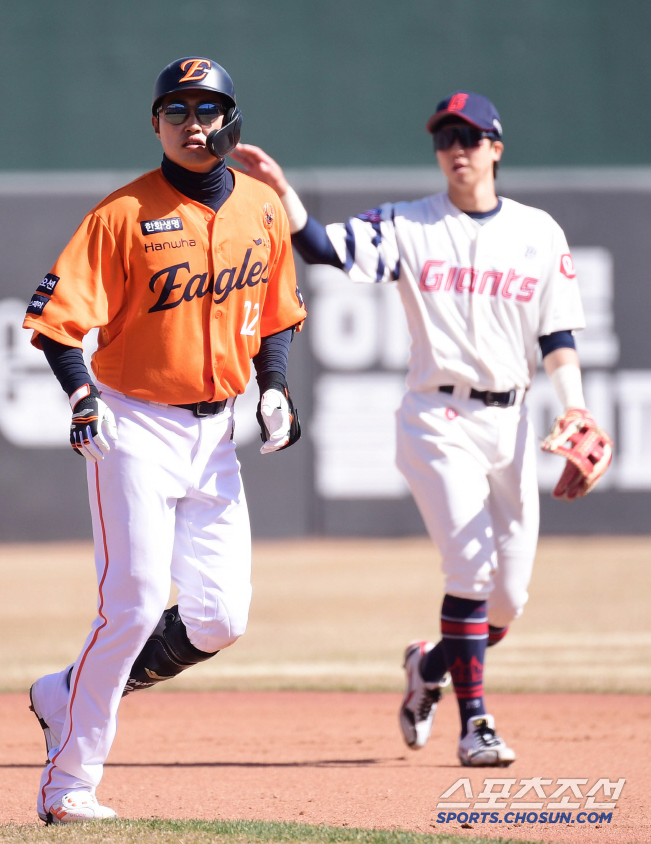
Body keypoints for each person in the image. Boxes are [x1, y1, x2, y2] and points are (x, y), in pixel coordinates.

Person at [232, 91, 611, 767]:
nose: (457, 148)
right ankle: (477, 725)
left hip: (514, 420)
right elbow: (322, 248)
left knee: (507, 602)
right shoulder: (411, 225)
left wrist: (574, 407)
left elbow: (557, 335)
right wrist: (284, 193)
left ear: (496, 147)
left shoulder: (539, 232)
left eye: (470, 136)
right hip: (437, 417)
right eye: (446, 138)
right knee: (469, 566)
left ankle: (428, 665)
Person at [23, 57, 306, 823]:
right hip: (136, 426)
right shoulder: (121, 214)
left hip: (216, 435)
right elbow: (56, 322)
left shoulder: (262, 208)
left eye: (207, 109)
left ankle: (63, 691)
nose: (193, 124)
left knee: (220, 618)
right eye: (176, 111)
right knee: (135, 603)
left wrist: (275, 386)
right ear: (155, 125)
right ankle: (69, 784)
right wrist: (82, 392)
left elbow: (277, 310)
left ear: (231, 119)